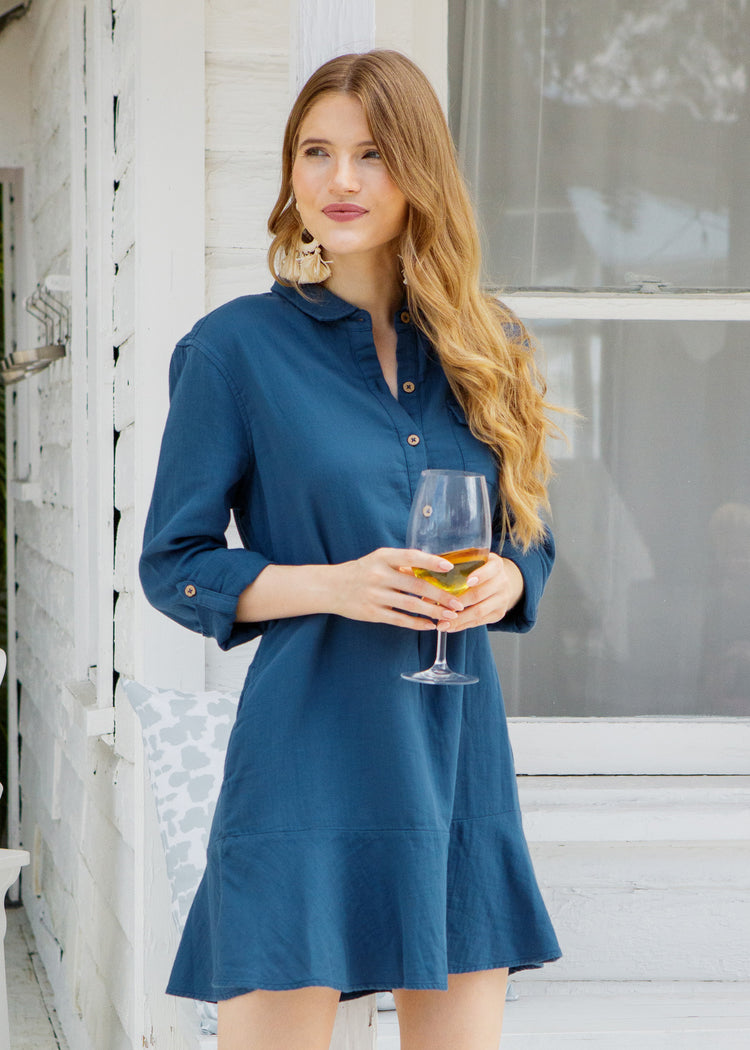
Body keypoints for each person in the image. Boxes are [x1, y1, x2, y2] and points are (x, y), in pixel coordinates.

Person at [140, 49, 561, 1050]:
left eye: (371, 154)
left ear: (419, 169)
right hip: (305, 759)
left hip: (457, 761)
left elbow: (531, 535)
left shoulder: (488, 345)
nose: (339, 179)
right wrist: (335, 584)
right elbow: (175, 563)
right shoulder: (232, 350)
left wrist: (508, 577)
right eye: (315, 152)